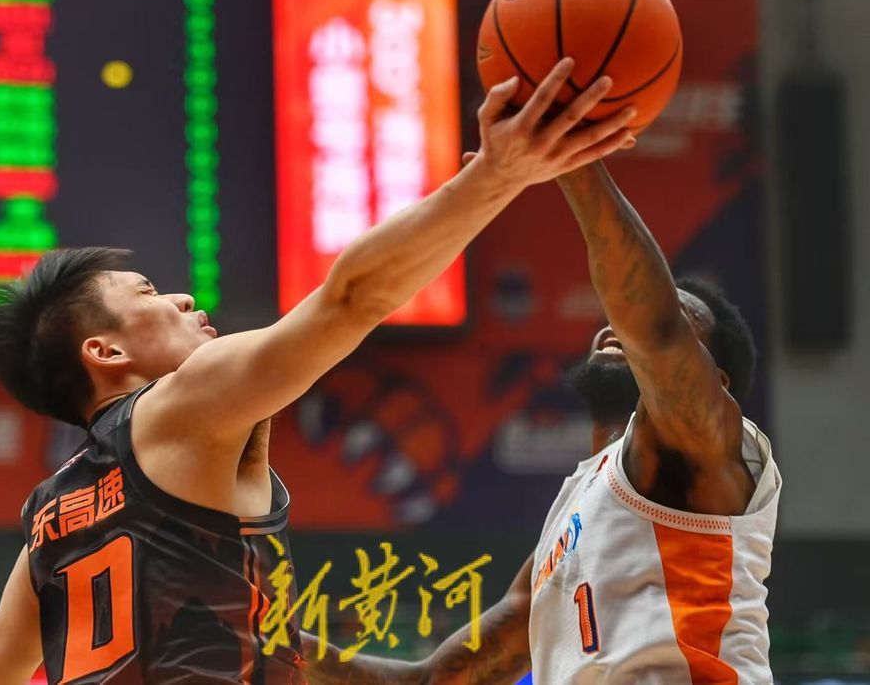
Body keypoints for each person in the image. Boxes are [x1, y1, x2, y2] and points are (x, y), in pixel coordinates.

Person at [0, 59, 635, 685]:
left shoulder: (50, 517)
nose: (182, 298)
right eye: (148, 293)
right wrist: (497, 174)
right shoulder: (180, 403)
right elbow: (352, 298)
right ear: (105, 353)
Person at [306, 158, 779, 683]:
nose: (616, 327)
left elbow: (655, 329)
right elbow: (435, 681)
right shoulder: (574, 512)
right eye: (614, 318)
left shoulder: (711, 446)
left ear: (717, 382)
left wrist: (572, 158)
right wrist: (262, 643)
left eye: (683, 320)